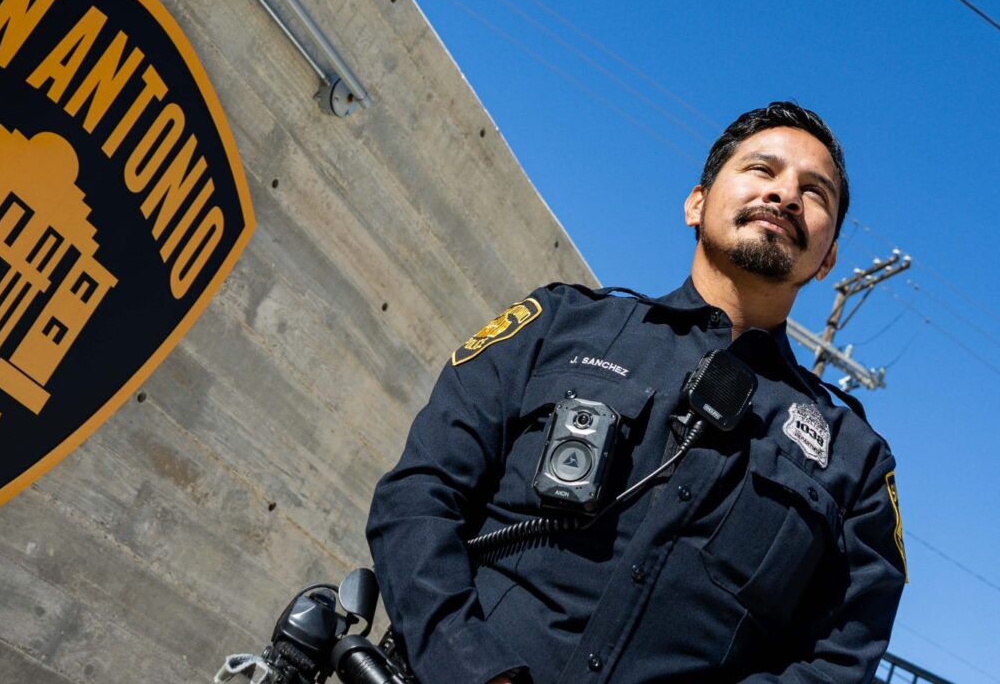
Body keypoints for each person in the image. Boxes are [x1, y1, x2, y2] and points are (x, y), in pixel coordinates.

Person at [366, 102, 907, 684]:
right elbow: (418, 497)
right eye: (761, 169)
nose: (785, 195)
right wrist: (475, 670)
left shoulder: (856, 463)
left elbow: (838, 664)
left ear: (827, 260)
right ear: (696, 203)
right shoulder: (557, 325)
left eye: (815, 192)